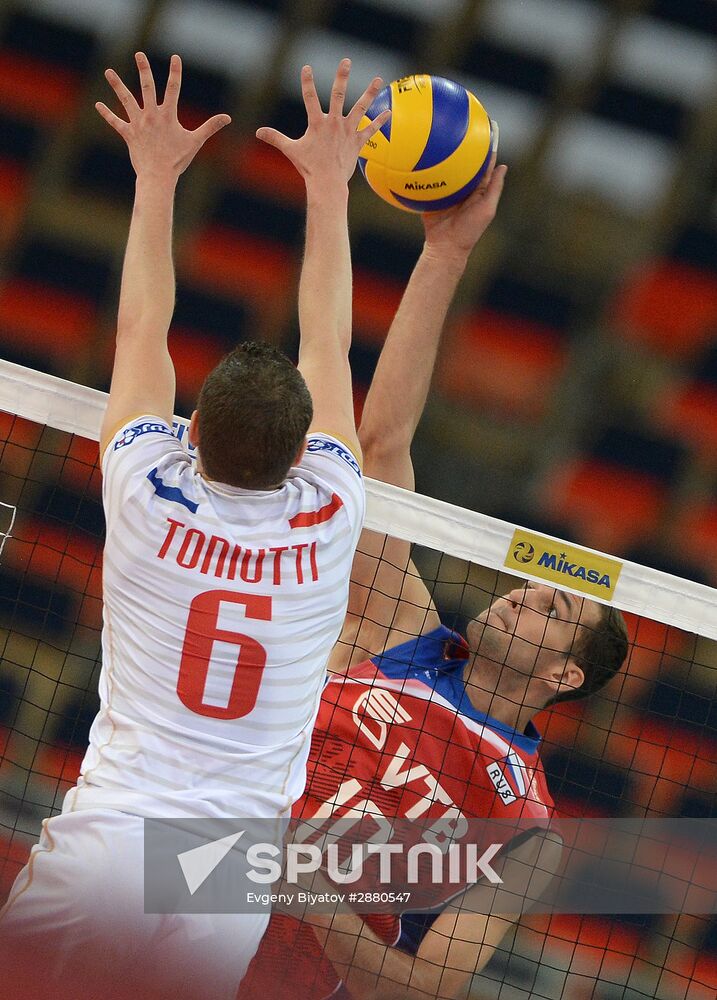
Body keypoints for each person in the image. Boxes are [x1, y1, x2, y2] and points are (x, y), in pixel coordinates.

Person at [0, 53, 390, 1000]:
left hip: (114, 832)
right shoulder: (334, 508)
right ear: (303, 451)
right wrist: (333, 188)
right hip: (225, 870)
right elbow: (328, 341)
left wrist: (155, 173)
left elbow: (141, 332)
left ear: (194, 430)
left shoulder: (142, 488)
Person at [239, 145, 629, 999]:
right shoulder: (403, 636)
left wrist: (315, 894)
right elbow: (381, 453)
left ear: (565, 675)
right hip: (177, 912)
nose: (522, 593)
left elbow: (416, 990)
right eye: (534, 586)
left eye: (553, 609)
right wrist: (444, 254)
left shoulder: (527, 833)